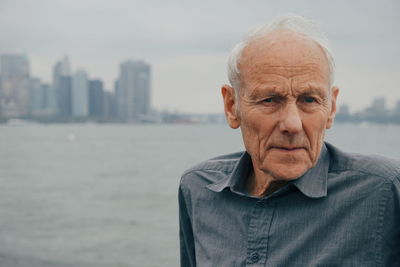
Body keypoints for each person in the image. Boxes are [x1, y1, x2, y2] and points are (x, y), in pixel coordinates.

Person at [178, 15, 400, 266]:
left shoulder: (385, 189)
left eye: (309, 100)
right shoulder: (198, 188)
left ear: (332, 107)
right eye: (269, 100)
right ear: (232, 106)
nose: (292, 124)